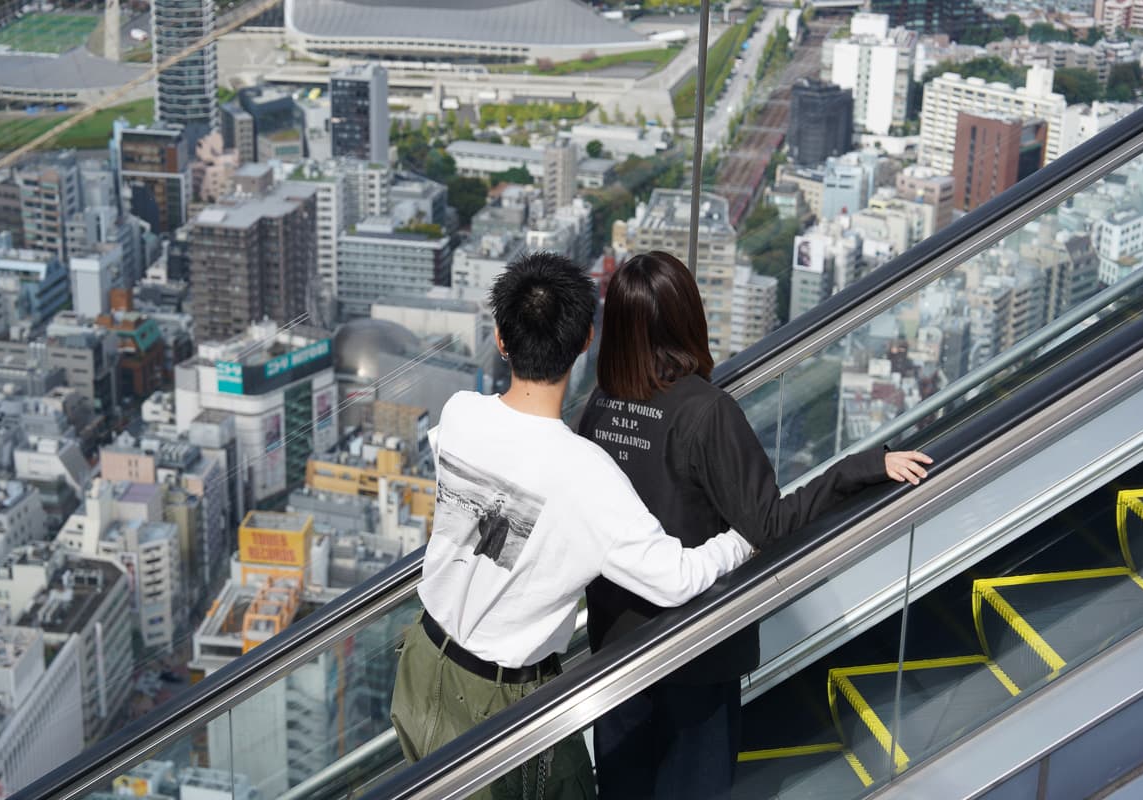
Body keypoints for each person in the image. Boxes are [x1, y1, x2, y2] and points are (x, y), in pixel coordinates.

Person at [389, 251, 755, 800]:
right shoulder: (586, 474)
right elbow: (675, 579)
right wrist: (742, 539)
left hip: (421, 660)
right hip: (501, 703)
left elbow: (477, 477)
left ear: (499, 338)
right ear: (587, 341)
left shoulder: (460, 414)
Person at [576, 251, 932, 800]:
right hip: (694, 648)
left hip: (617, 649)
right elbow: (768, 524)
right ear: (687, 317)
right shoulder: (705, 412)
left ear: (617, 327)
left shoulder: (600, 407)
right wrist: (860, 469)